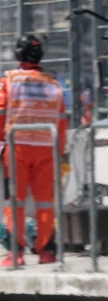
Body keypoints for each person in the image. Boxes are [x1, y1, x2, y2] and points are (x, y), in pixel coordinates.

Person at [0, 35, 65, 269]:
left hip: (17, 147)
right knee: (45, 202)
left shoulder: (9, 80)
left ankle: (15, 253)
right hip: (48, 147)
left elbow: (0, 113)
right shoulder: (54, 84)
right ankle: (46, 250)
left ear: (18, 54)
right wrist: (61, 150)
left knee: (14, 201)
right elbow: (62, 120)